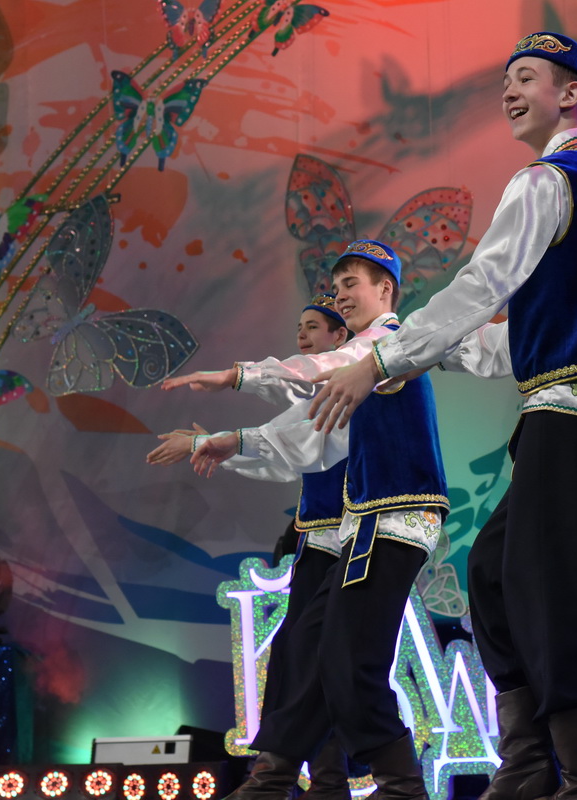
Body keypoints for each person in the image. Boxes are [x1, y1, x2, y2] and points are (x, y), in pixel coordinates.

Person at [308, 33, 577, 800]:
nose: (509, 91)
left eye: (526, 78)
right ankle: (528, 761)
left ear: (570, 92)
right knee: (494, 570)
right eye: (506, 80)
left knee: (536, 575)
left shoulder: (547, 182)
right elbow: (521, 337)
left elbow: (480, 285)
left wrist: (380, 361)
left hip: (575, 406)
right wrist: (421, 351)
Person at [177, 240, 450, 800]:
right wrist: (230, 441)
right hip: (360, 526)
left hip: (394, 518)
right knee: (304, 648)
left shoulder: (389, 343)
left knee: (346, 657)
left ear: (386, 290)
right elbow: (310, 434)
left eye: (352, 284)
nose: (341, 294)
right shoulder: (358, 362)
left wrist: (237, 376)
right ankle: (274, 777)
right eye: (337, 285)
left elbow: (319, 372)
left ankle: (398, 784)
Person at [147, 295, 355, 800]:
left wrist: (220, 437)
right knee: (297, 655)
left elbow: (294, 440)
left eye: (314, 327)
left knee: (321, 658)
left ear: (340, 338)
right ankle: (311, 782)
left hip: (353, 538)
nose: (302, 335)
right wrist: (220, 446)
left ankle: (289, 780)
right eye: (299, 326)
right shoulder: (314, 402)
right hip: (318, 541)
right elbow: (281, 453)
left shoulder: (352, 392)